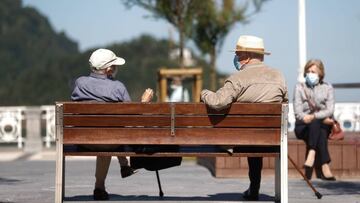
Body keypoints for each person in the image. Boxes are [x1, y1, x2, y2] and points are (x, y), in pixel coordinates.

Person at [201, 35, 288, 201]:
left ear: (247, 57)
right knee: (256, 138)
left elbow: (218, 102)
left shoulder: (237, 78)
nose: (236, 58)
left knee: (250, 136)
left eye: (238, 54)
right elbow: (285, 104)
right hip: (271, 139)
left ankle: (253, 188)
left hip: (242, 140)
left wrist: (204, 93)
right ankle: (254, 188)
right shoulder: (279, 76)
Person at [71, 48, 154, 200]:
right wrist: (144, 103)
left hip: (82, 139)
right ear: (109, 69)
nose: (117, 69)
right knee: (109, 135)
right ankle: (110, 177)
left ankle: (106, 181)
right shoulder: (117, 87)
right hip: (109, 141)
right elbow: (133, 119)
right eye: (115, 66)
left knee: (105, 132)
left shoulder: (80, 83)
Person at [293, 59, 336, 181]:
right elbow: (297, 111)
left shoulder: (327, 88)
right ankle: (325, 165)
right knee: (318, 126)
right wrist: (306, 117)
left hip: (320, 124)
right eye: (309, 71)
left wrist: (314, 116)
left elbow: (330, 110)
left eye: (314, 72)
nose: (311, 74)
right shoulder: (299, 87)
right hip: (303, 126)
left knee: (317, 123)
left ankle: (312, 152)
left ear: (320, 74)